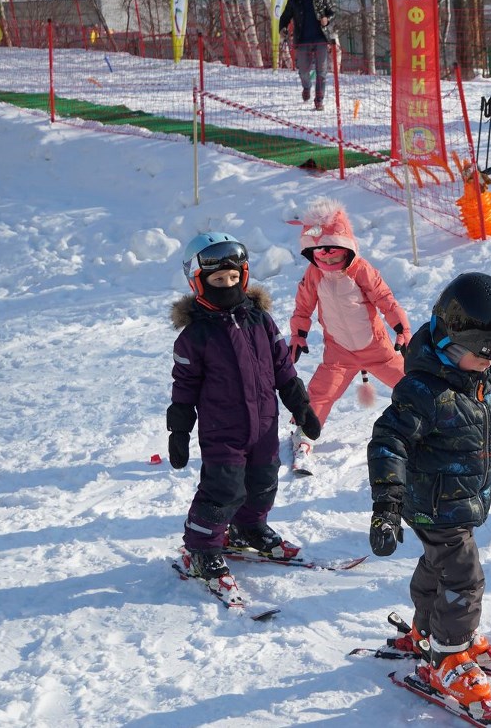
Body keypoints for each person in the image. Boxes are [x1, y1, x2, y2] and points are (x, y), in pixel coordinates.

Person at [365, 272, 491, 719]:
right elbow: (388, 443)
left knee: (439, 567)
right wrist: (386, 505)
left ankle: (426, 632)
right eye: (482, 356)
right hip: (432, 503)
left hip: (459, 499)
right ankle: (448, 658)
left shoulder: (484, 376)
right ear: (452, 344)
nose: (490, 364)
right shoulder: (424, 392)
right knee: (463, 577)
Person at [168, 233, 322, 585]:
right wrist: (179, 431)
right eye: (218, 280)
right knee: (223, 489)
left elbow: (283, 368)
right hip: (223, 430)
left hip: (264, 424)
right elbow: (184, 388)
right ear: (199, 283)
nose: (228, 285)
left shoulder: (260, 320)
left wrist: (301, 405)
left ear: (245, 276)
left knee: (264, 481)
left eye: (234, 278)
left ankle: (248, 529)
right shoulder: (195, 336)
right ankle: (201, 548)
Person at [287, 197, 412, 476]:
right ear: (312, 253)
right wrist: (299, 335)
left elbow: (385, 299)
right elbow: (303, 307)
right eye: (323, 256)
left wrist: (402, 329)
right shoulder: (313, 274)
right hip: (339, 351)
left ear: (347, 249)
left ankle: (437, 420)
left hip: (375, 347)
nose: (329, 260)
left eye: (335, 255)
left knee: (410, 384)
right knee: (320, 393)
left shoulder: (361, 270)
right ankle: (304, 436)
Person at [278, 0, 336, 111]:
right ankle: (306, 87)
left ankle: (319, 100)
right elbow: (285, 16)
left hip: (321, 39)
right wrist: (283, 28)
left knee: (321, 71)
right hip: (302, 40)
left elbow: (332, 13)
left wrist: (327, 20)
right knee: (303, 70)